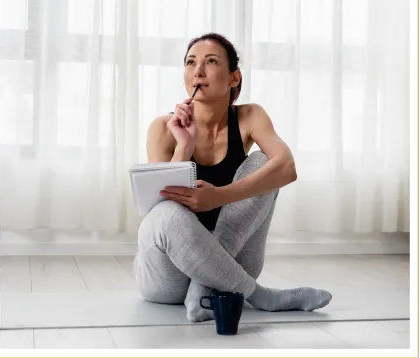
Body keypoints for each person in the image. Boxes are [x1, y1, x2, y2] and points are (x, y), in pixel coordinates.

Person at [133, 33, 332, 322]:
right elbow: (161, 208)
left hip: (231, 265)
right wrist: (184, 146)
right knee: (164, 213)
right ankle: (261, 296)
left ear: (234, 78)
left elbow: (287, 167)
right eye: (190, 62)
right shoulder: (163, 128)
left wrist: (219, 195)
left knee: (266, 163)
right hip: (169, 277)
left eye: (210, 61)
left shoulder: (250, 116)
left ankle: (203, 289)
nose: (197, 71)